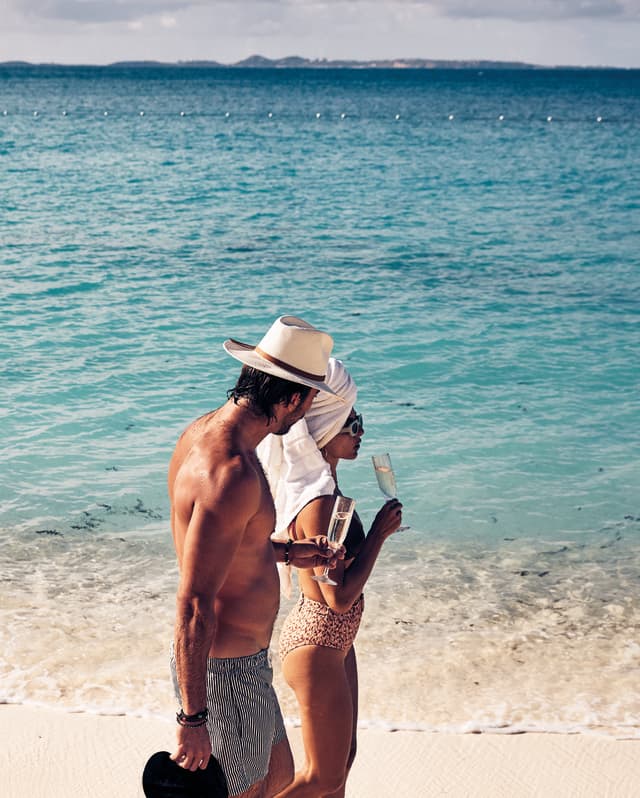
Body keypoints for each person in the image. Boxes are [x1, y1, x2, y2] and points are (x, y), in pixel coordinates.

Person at [167, 316, 347, 798]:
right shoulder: (229, 472)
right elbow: (193, 603)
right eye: (309, 400)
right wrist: (192, 717)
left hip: (246, 663)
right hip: (224, 670)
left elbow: (220, 546)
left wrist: (288, 552)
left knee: (280, 777)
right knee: (247, 791)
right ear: (289, 398)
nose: (306, 414)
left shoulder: (201, 434)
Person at [257, 358, 403, 798]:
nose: (360, 432)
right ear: (328, 428)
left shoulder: (329, 491)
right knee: (322, 777)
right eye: (352, 423)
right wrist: (378, 534)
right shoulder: (320, 502)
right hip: (317, 641)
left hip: (335, 640)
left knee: (344, 760)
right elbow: (336, 597)